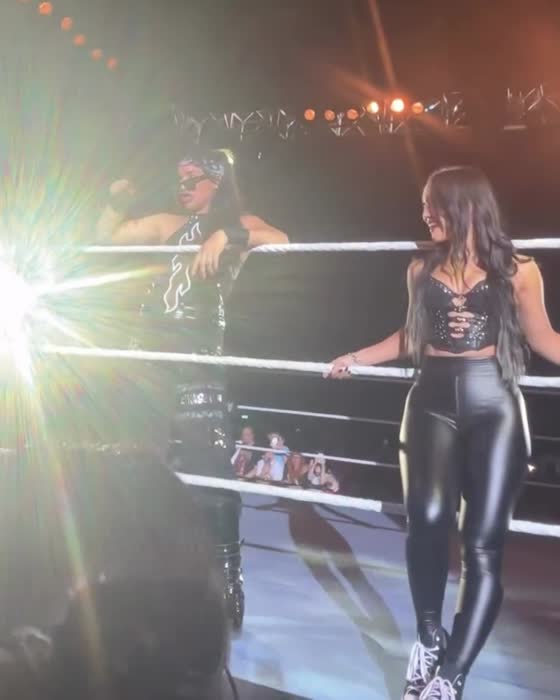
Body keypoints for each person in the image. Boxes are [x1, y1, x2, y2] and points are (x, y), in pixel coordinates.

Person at [327, 166, 560, 700]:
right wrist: (356, 357)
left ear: (465, 205)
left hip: (493, 404)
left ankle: (452, 675)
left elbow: (544, 338)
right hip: (430, 400)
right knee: (427, 521)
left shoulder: (519, 269)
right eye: (423, 205)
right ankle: (430, 637)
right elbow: (410, 336)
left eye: (432, 205)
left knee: (482, 543)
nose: (425, 214)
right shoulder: (420, 268)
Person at [96, 147, 288, 629]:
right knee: (135, 464)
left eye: (192, 179)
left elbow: (282, 239)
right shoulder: (167, 223)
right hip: (147, 358)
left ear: (216, 182)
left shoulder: (238, 223)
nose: (182, 187)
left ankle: (227, 577)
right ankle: (130, 572)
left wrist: (226, 234)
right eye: (178, 178)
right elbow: (109, 237)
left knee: (211, 472)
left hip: (198, 359)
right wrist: (116, 202)